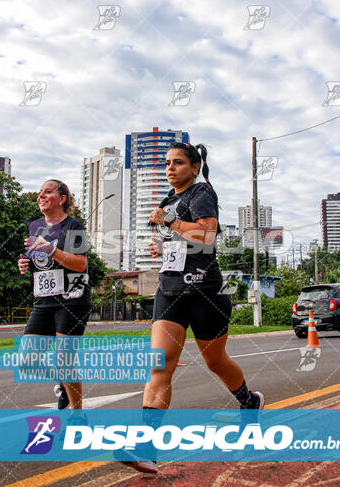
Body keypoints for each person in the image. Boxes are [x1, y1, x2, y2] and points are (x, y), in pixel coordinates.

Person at [124, 142, 264, 474]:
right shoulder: (167, 201)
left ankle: (249, 402)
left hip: (205, 292)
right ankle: (146, 447)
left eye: (178, 163)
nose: (170, 168)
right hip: (170, 292)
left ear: (195, 167)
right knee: (160, 367)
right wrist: (160, 245)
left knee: (215, 361)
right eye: (167, 163)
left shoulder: (201, 193)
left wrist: (171, 222)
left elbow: (207, 236)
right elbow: (178, 240)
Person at [17, 179, 91, 410]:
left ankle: (78, 416)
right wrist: (24, 262)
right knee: (27, 362)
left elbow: (80, 264)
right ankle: (62, 380)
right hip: (43, 301)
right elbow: (39, 260)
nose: (41, 196)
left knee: (65, 360)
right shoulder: (36, 226)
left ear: (62, 199)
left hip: (72, 299)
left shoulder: (73, 226)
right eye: (40, 192)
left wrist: (50, 249)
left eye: (47, 192)